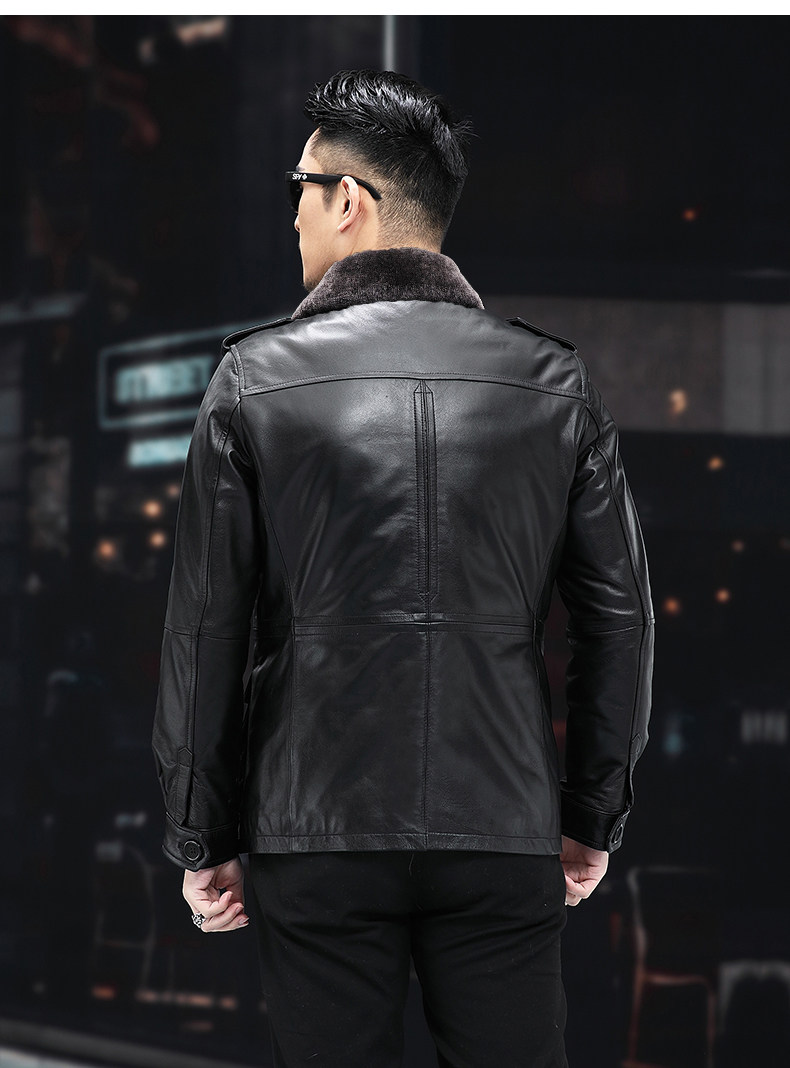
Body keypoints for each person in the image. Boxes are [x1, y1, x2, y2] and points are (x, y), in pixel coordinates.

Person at [153, 69, 653, 1067]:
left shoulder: (253, 379)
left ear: (349, 199)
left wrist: (201, 836)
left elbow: (206, 630)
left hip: (315, 833)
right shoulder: (554, 382)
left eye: (300, 188)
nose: (294, 214)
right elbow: (618, 624)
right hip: (502, 826)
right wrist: (591, 815)